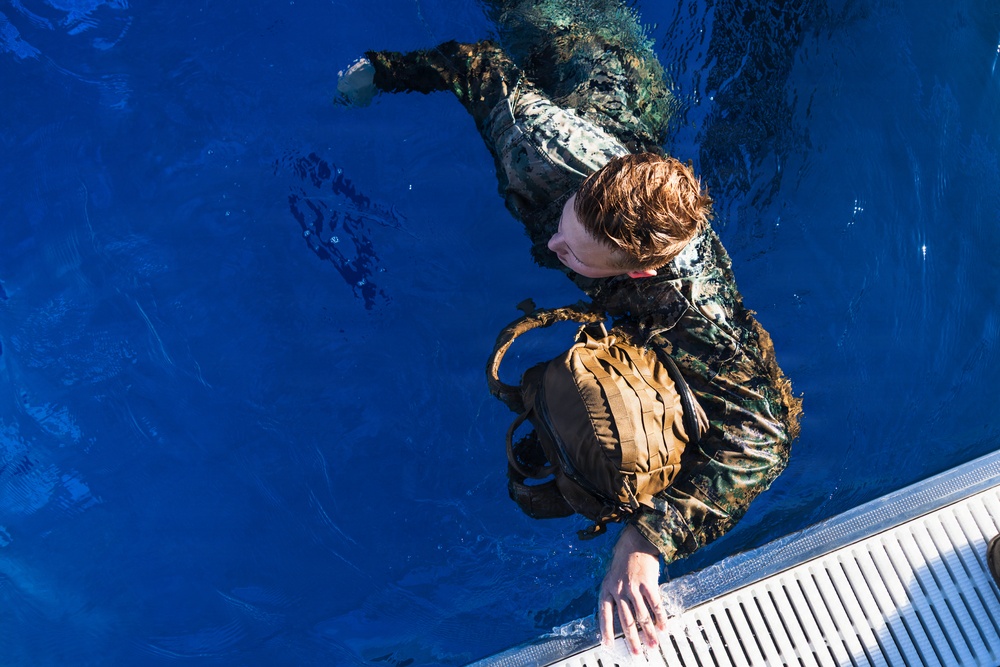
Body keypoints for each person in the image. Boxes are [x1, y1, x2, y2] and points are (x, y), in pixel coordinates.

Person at [337, 0, 802, 655]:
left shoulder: (690, 303)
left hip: (629, 115)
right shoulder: (539, 150)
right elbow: (477, 65)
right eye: (564, 225)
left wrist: (649, 538)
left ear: (638, 275)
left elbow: (766, 433)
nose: (555, 246)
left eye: (575, 251)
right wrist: (380, 74)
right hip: (584, 57)